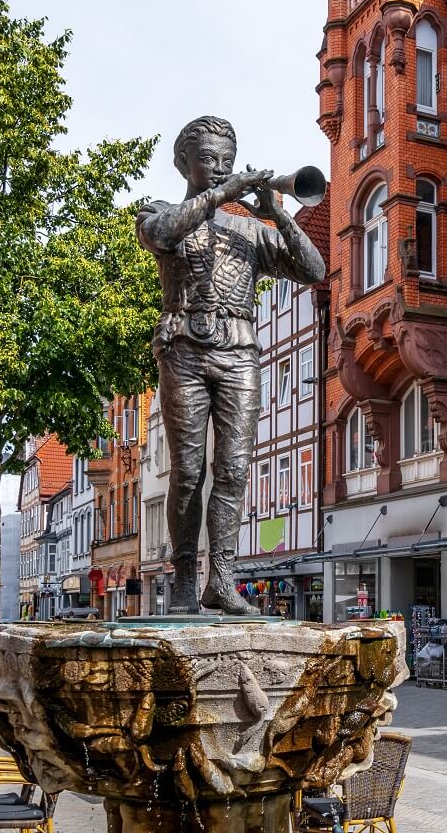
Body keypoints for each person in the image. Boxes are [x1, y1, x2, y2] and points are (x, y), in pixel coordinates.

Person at [136, 115, 326, 614]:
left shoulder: (250, 229)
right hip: (184, 347)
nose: (220, 169)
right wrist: (223, 196)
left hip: (240, 350)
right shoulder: (159, 210)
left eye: (227, 161)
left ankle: (221, 577)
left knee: (235, 468)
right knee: (189, 469)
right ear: (184, 163)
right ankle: (182, 578)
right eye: (209, 160)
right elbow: (162, 233)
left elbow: (314, 269)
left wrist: (276, 213)